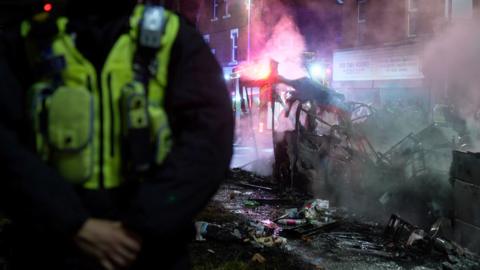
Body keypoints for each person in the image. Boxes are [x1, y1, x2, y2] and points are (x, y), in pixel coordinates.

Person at [0, 0, 233, 269]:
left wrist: (142, 224)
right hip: (53, 250)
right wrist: (71, 222)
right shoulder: (24, 41)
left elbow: (210, 140)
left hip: (148, 251)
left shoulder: (174, 38)